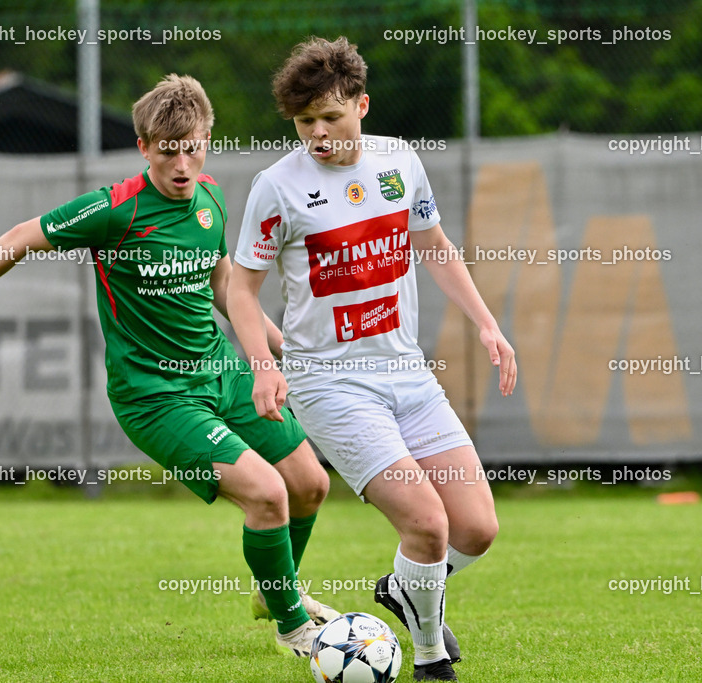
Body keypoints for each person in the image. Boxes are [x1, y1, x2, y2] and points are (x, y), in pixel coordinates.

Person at [0, 74, 336, 657]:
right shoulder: (113, 212)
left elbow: (223, 285)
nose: (181, 163)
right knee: (267, 494)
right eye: (166, 150)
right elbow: (21, 237)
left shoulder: (213, 199)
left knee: (310, 484)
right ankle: (294, 626)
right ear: (144, 148)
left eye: (192, 147)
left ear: (207, 140)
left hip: (221, 371)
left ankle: (275, 593)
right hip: (156, 397)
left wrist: (272, 350)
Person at [227, 38, 516, 681]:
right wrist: (262, 364)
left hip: (408, 374)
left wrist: (488, 325)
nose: (318, 134)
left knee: (475, 529)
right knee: (426, 522)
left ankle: (403, 591)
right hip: (329, 383)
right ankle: (430, 659)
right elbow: (240, 290)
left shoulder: (400, 162)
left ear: (362, 104)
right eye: (305, 124)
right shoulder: (277, 188)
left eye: (330, 117)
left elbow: (435, 246)